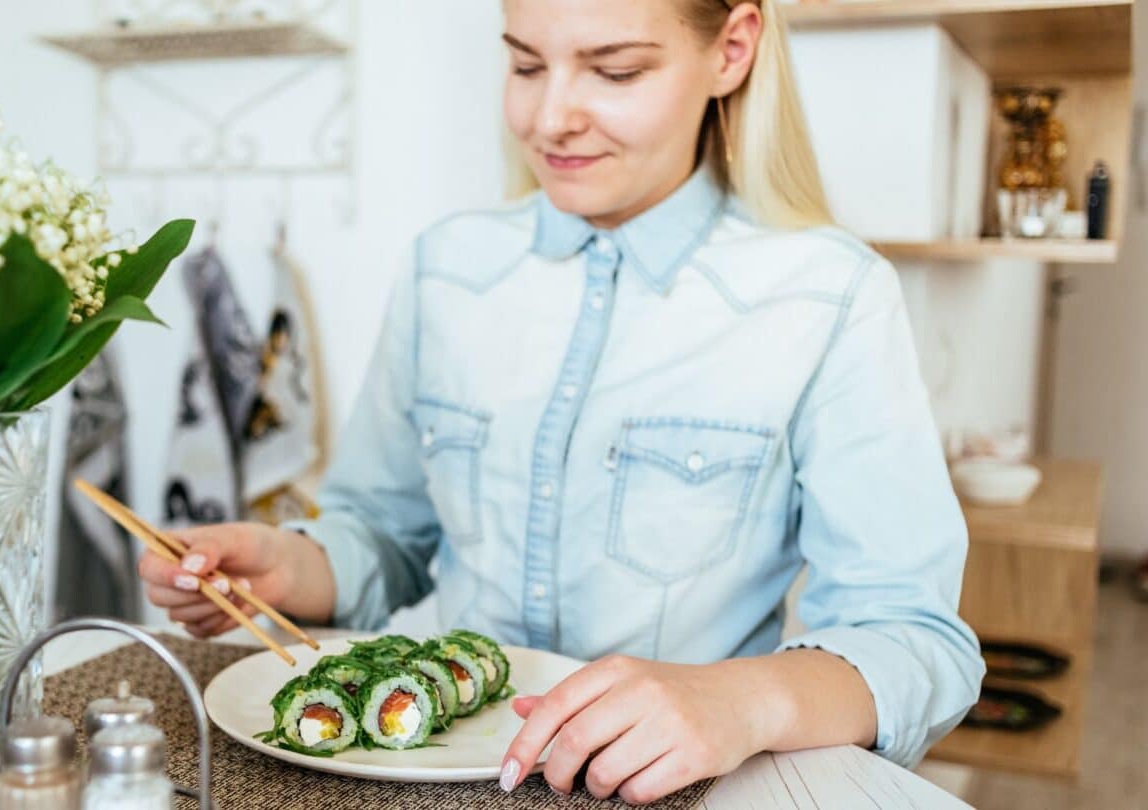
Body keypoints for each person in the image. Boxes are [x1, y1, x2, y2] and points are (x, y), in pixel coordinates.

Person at [138, 0, 984, 803]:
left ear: (732, 50)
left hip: (678, 796)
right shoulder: (446, 270)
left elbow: (915, 639)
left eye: (614, 71)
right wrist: (291, 567)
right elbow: (383, 534)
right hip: (432, 784)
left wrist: (739, 701)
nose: (551, 119)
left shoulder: (830, 296)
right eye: (525, 64)